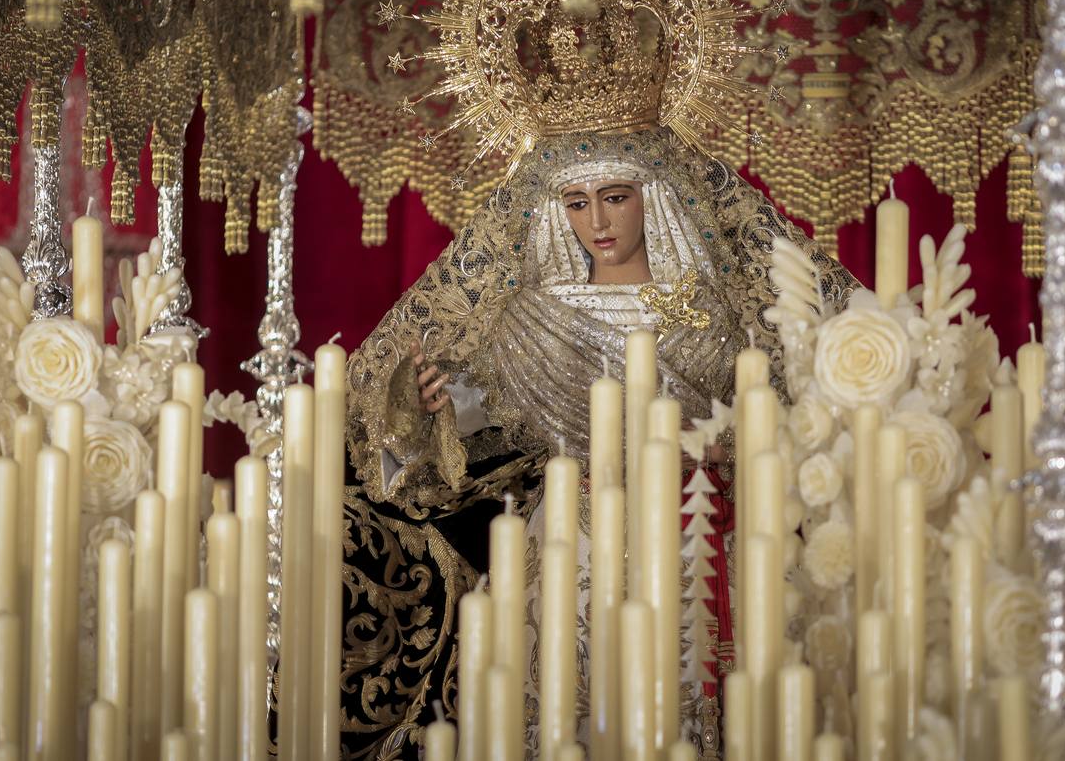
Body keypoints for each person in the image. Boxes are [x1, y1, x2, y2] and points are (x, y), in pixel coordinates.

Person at [337, 127, 854, 757]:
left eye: (615, 196)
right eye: (577, 202)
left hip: (708, 531)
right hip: (574, 542)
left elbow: (795, 411)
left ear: (654, 196)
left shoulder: (722, 313)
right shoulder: (531, 317)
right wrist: (418, 411)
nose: (598, 221)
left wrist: (739, 448)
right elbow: (450, 432)